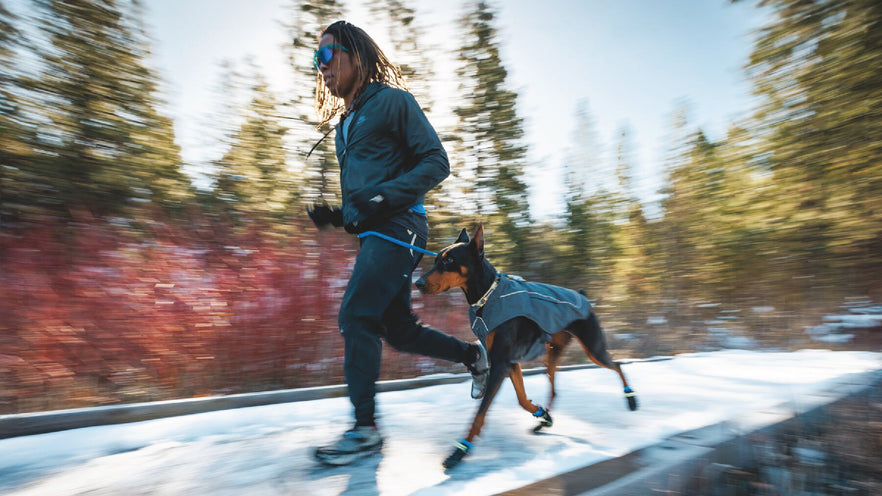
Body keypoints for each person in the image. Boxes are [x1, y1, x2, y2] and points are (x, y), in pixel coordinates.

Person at [306, 20, 488, 465]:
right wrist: (341, 215)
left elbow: (436, 161)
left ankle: (365, 430)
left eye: (326, 55)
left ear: (355, 55)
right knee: (397, 329)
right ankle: (473, 355)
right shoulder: (345, 125)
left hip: (402, 227)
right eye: (316, 60)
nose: (320, 67)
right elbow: (365, 197)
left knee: (356, 315)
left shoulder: (392, 102)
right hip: (376, 234)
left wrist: (383, 197)